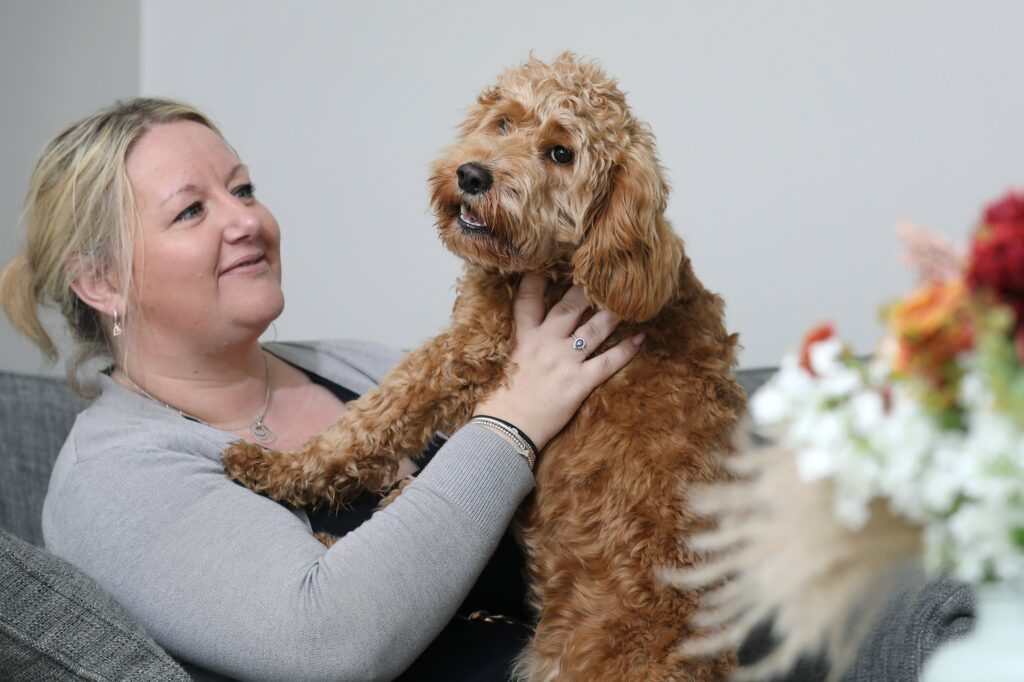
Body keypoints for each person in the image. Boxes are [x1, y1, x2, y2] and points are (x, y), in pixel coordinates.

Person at [0, 98, 643, 681]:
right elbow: (325, 643)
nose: (246, 221)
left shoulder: (355, 365)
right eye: (192, 210)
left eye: (243, 189)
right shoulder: (113, 476)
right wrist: (514, 421)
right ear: (102, 282)